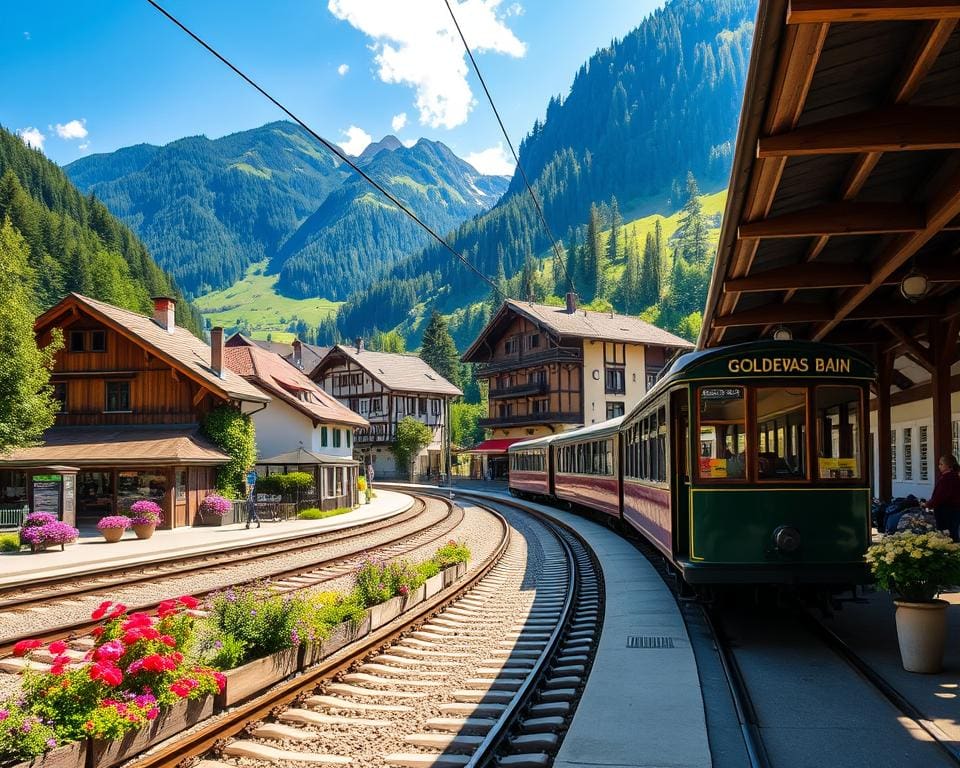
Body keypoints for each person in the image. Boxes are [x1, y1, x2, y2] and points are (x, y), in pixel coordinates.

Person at [923, 454, 960, 541]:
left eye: (941, 464)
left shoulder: (947, 478)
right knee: (953, 533)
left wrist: (928, 504)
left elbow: (940, 496)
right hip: (954, 510)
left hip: (947, 511)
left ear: (948, 465)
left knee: (947, 536)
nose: (939, 466)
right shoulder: (955, 477)